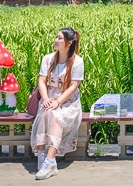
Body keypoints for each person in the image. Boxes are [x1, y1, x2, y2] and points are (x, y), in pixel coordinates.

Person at [31, 27, 84, 180]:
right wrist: (46, 98)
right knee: (46, 111)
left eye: (60, 38)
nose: (56, 40)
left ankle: (49, 161)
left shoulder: (77, 62)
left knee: (54, 116)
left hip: (68, 102)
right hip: (49, 97)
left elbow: (74, 86)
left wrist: (58, 101)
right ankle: (43, 157)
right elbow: (41, 81)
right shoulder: (48, 59)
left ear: (69, 42)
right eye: (56, 37)